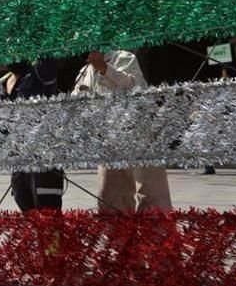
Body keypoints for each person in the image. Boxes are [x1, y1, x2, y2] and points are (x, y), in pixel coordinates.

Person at [71, 50, 173, 213]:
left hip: (140, 134)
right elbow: (77, 103)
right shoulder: (84, 72)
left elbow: (136, 86)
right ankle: (118, 236)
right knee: (110, 198)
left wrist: (105, 69)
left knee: (152, 195)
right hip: (108, 140)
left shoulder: (123, 57)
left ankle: (156, 235)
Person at [0, 59, 64, 212]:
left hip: (43, 157)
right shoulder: (2, 83)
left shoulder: (40, 73)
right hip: (18, 156)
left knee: (46, 206)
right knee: (22, 198)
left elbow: (48, 53)